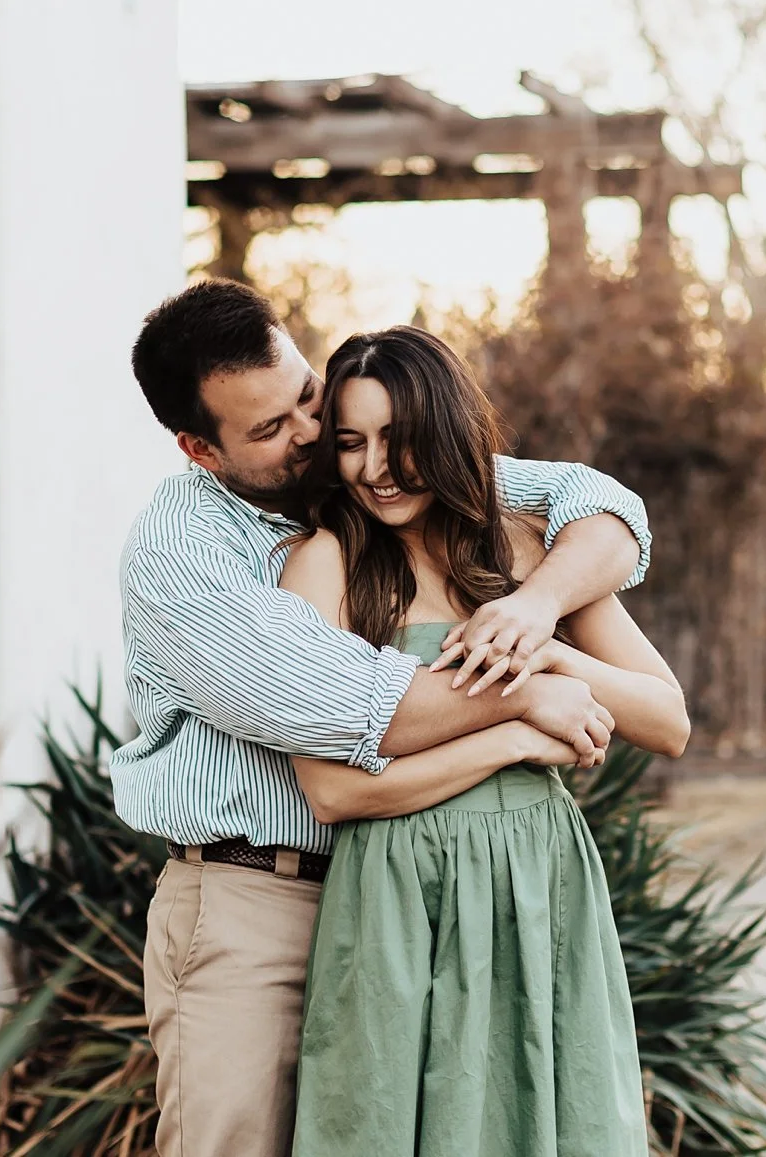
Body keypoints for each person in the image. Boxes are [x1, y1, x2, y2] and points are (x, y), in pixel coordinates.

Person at [112, 279, 654, 1157]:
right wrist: (522, 696)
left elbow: (599, 507)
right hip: (258, 904)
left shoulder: (362, 472)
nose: (309, 436)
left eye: (305, 399)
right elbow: (353, 711)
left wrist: (538, 607)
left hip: (398, 897)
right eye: (268, 429)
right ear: (199, 448)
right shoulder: (184, 555)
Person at [280, 325, 687, 1157]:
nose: (375, 468)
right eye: (352, 442)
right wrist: (513, 728)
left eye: (399, 439)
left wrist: (543, 641)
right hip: (398, 890)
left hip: (539, 879)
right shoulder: (325, 563)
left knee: (551, 1114)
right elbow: (333, 790)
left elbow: (667, 719)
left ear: (446, 430)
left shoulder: (529, 554)